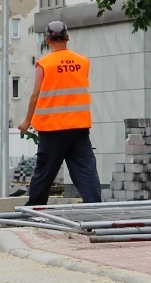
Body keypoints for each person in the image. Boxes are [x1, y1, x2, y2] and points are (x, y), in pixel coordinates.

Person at [18, 21, 102, 205]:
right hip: (79, 127)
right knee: (85, 170)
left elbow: (35, 95)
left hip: (52, 128)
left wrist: (26, 122)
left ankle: (34, 210)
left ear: (47, 40)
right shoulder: (82, 62)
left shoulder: (44, 64)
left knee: (45, 172)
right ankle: (95, 207)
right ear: (67, 38)